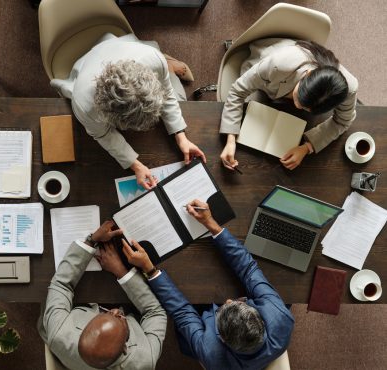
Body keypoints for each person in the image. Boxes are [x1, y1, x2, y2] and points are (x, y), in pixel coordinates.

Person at [121, 200, 295, 369]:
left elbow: (182, 313)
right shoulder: (281, 318)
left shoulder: (212, 354)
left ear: (223, 340)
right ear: (259, 317)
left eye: (224, 307)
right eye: (237, 303)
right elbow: (249, 270)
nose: (227, 301)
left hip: (210, 336)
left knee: (185, 323)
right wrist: (211, 224)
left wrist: (149, 269)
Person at [51, 33, 206, 190]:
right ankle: (171, 68)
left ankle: (170, 65)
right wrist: (136, 166)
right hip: (88, 67)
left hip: (129, 50)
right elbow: (104, 134)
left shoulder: (154, 59)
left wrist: (181, 136)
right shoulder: (85, 105)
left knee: (176, 93)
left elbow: (167, 93)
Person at [38, 221, 167, 370]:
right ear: (125, 347)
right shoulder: (145, 359)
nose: (116, 311)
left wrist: (91, 241)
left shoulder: (60, 334)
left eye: (106, 314)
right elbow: (155, 312)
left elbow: (60, 284)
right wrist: (121, 271)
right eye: (119, 318)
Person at [220, 38, 358, 171]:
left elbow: (342, 121)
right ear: (308, 74)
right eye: (299, 96)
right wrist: (230, 139)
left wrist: (306, 147)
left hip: (282, 94)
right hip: (264, 76)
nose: (298, 106)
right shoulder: (280, 64)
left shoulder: (349, 90)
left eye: (305, 107)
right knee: (249, 110)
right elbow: (238, 90)